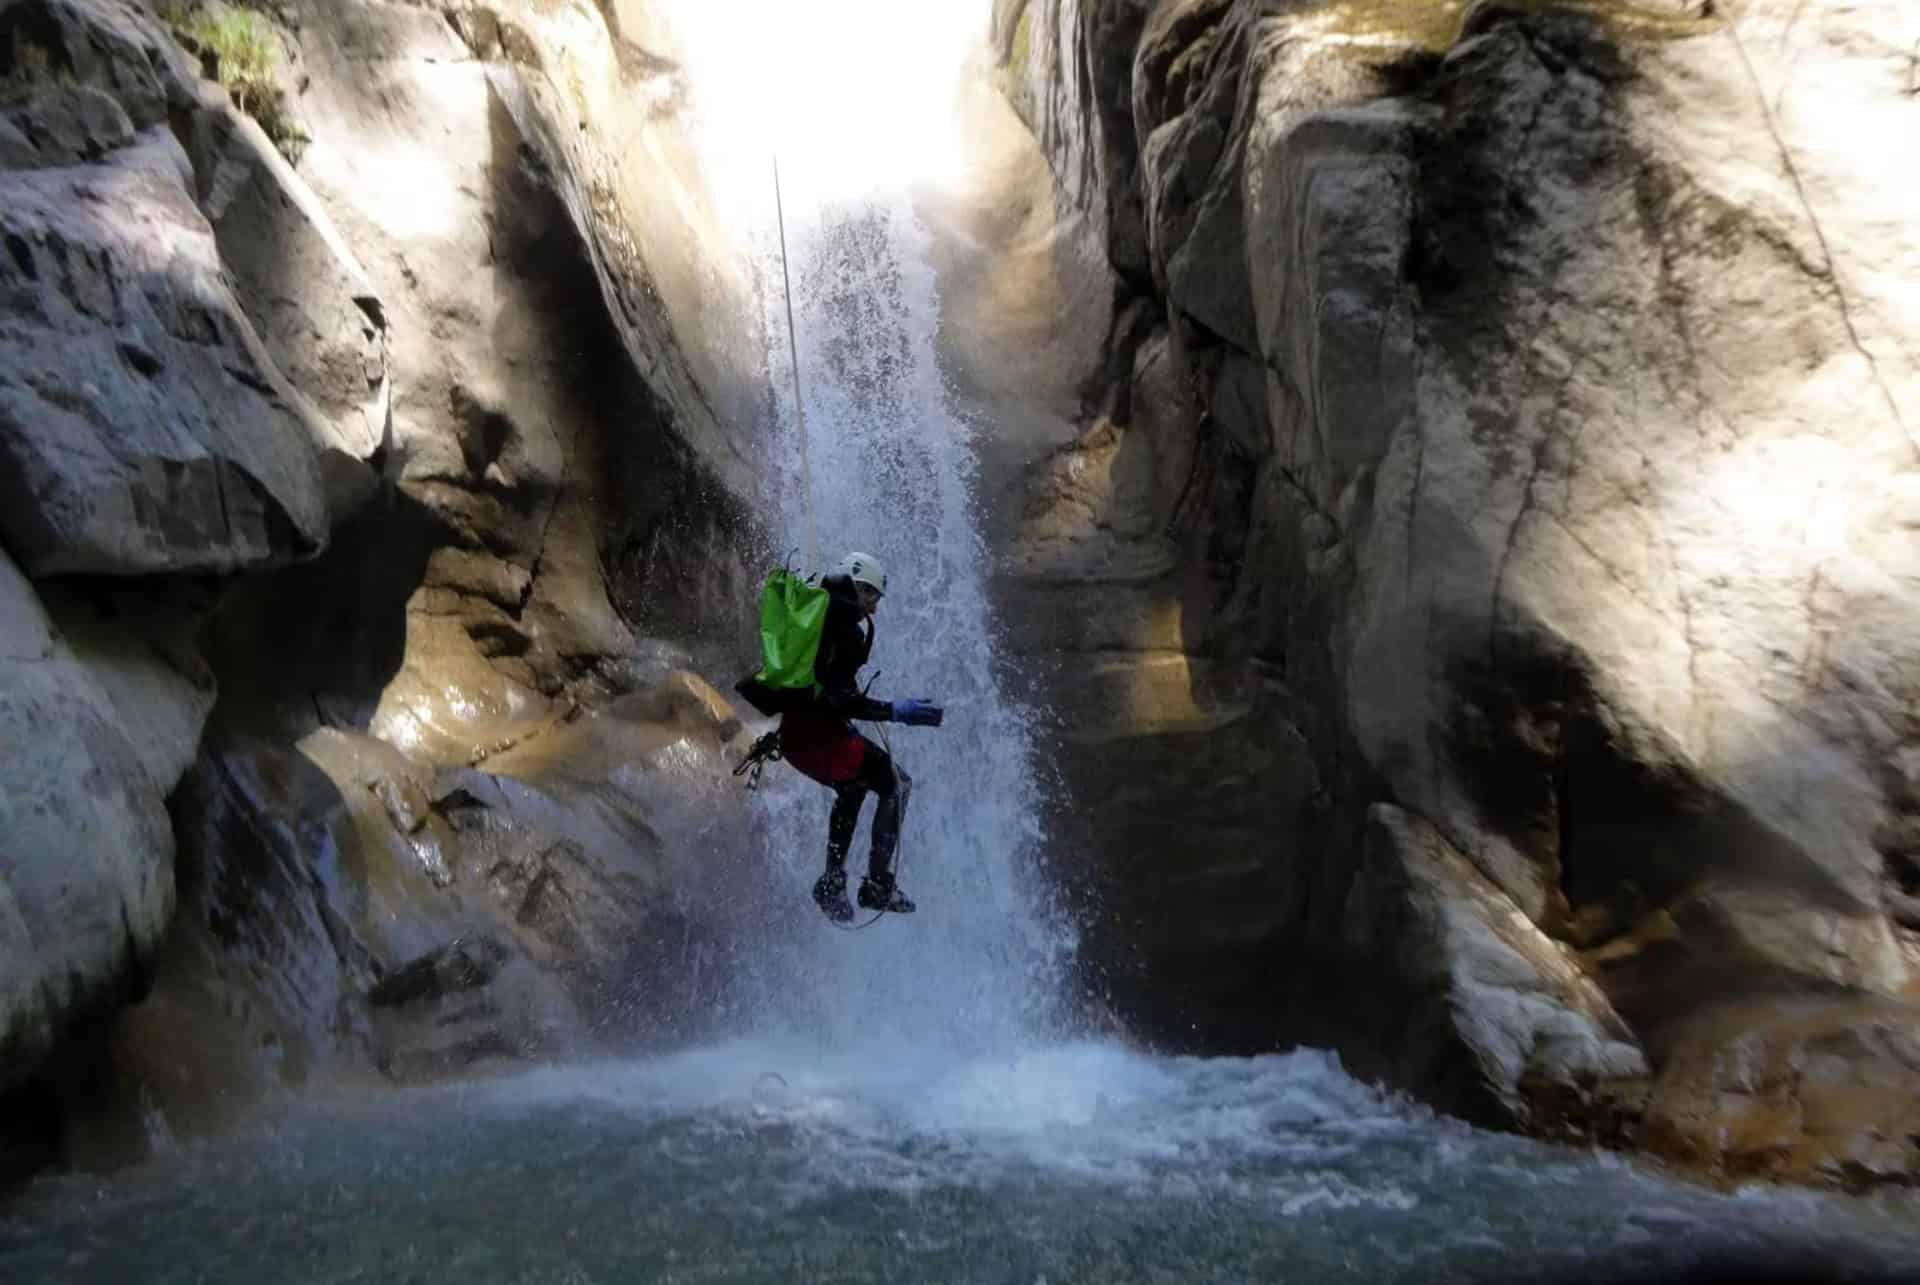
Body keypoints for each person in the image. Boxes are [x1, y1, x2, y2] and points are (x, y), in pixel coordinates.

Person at [777, 551, 943, 921]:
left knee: (853, 787)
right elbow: (842, 700)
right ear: (858, 585)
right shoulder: (843, 625)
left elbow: (826, 691)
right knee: (897, 785)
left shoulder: (815, 608)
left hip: (795, 739)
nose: (874, 609)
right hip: (822, 740)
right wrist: (895, 711)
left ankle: (833, 881)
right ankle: (878, 884)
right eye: (872, 597)